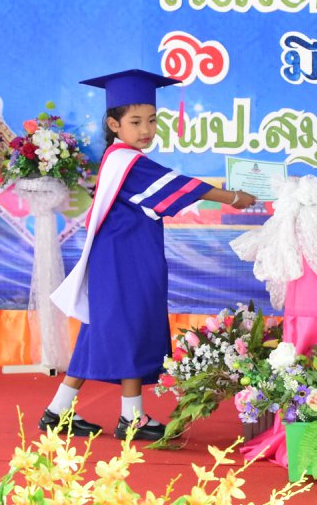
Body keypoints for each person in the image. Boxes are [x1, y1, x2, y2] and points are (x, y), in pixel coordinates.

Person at [42, 69, 257, 440]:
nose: (146, 129)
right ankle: (132, 417)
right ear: (114, 124)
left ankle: (57, 411)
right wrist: (233, 197)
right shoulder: (129, 162)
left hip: (121, 254)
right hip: (126, 259)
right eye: (136, 121)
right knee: (132, 326)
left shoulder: (118, 158)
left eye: (152, 120)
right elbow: (180, 186)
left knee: (100, 327)